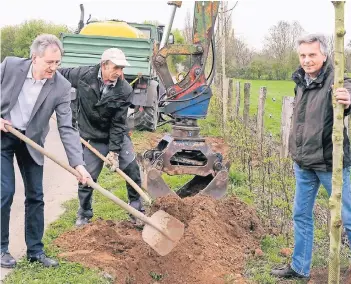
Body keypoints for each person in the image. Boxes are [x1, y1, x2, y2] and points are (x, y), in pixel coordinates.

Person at [1, 34, 91, 268]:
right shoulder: (10, 66)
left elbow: (67, 127)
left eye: (57, 63)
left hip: (31, 141)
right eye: (49, 62)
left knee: (36, 196)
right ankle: (1, 249)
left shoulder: (61, 86)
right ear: (35, 58)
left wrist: (78, 164)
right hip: (4, 134)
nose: (54, 67)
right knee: (5, 191)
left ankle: (35, 252)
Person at [271, 34, 351, 279]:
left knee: (348, 218)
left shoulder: (334, 80)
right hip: (304, 163)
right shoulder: (300, 81)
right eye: (303, 55)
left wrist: (347, 98)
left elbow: (347, 88)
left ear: (324, 55)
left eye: (312, 55)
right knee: (301, 215)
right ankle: (299, 268)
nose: (307, 60)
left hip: (331, 164)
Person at [59, 48, 144, 227]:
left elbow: (119, 123)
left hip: (116, 136)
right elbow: (60, 74)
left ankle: (136, 209)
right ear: (104, 65)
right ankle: (84, 213)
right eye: (116, 68)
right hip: (91, 135)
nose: (119, 73)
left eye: (122, 69)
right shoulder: (84, 75)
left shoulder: (124, 89)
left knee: (133, 171)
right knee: (86, 177)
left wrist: (114, 151)